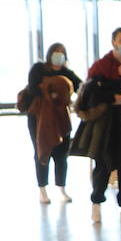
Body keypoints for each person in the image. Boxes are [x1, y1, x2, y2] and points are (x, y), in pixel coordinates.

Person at [77, 27, 121, 224]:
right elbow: (88, 92)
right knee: (103, 162)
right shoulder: (101, 65)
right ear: (114, 42)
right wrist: (110, 97)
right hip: (105, 121)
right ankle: (96, 203)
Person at [26, 42, 81, 204]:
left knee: (62, 153)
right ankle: (42, 189)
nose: (59, 55)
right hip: (39, 117)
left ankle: (61, 188)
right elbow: (32, 88)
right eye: (56, 52)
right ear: (50, 54)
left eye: (62, 53)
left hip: (61, 119)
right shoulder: (38, 69)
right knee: (41, 150)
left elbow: (81, 87)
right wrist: (53, 89)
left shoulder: (68, 73)